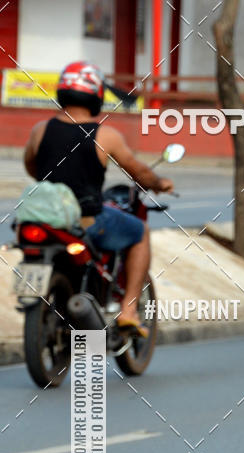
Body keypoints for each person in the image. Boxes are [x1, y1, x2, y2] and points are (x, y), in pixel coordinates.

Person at [23, 60, 173, 336]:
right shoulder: (105, 135)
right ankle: (128, 311)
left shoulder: (40, 130)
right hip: (88, 220)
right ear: (96, 95)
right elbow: (138, 171)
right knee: (140, 232)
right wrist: (159, 183)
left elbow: (31, 167)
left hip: (44, 221)